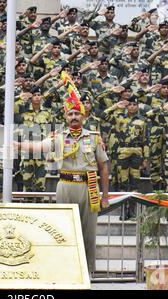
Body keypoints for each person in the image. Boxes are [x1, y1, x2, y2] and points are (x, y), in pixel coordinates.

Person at [15, 80, 110, 273]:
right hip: (65, 185)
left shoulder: (93, 137)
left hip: (89, 187)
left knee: (88, 233)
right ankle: (65, 270)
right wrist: (19, 146)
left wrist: (105, 196)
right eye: (70, 114)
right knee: (63, 229)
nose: (74, 117)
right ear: (66, 117)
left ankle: (87, 272)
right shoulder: (59, 137)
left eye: (77, 113)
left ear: (83, 116)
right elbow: (39, 147)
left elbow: (103, 167)